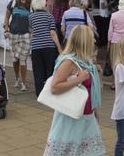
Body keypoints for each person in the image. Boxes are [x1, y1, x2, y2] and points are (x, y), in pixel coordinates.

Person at [43, 25, 105, 155]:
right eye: (91, 39)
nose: (94, 42)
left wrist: (95, 110)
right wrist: (78, 79)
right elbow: (54, 87)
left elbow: (90, 90)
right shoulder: (69, 62)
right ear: (84, 41)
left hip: (87, 116)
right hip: (71, 117)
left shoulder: (86, 61)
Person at [28, 0, 62, 96]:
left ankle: (39, 93)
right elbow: (53, 33)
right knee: (50, 69)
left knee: (38, 70)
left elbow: (31, 30)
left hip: (36, 47)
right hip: (49, 47)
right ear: (44, 5)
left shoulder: (31, 16)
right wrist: (59, 48)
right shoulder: (49, 16)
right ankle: (50, 92)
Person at [3, 0, 32, 92]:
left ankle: (23, 83)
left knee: (23, 59)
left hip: (26, 35)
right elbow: (6, 17)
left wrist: (32, 30)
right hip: (13, 34)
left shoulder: (31, 5)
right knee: (15, 59)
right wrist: (6, 28)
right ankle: (17, 78)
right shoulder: (13, 3)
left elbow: (33, 19)